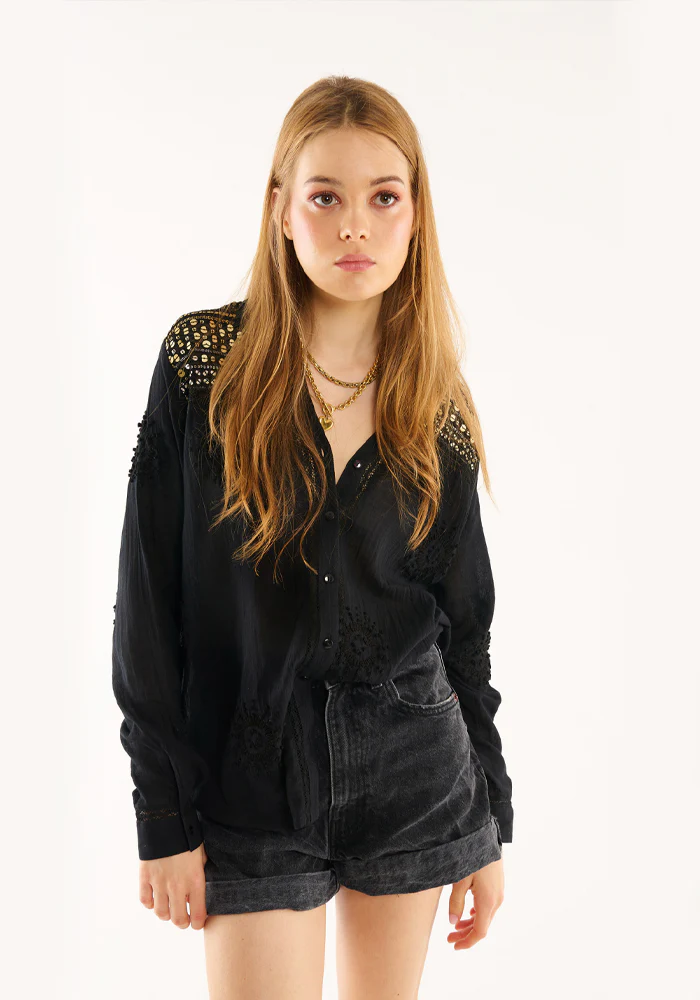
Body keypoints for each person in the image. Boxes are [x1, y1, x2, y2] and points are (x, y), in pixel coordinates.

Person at [112, 75, 514, 999]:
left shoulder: (435, 400)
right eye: (325, 197)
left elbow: (466, 628)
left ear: (416, 215)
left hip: (414, 773)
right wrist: (162, 813)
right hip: (250, 776)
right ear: (281, 211)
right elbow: (148, 605)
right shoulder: (203, 366)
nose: (355, 227)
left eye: (385, 198)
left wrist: (488, 820)